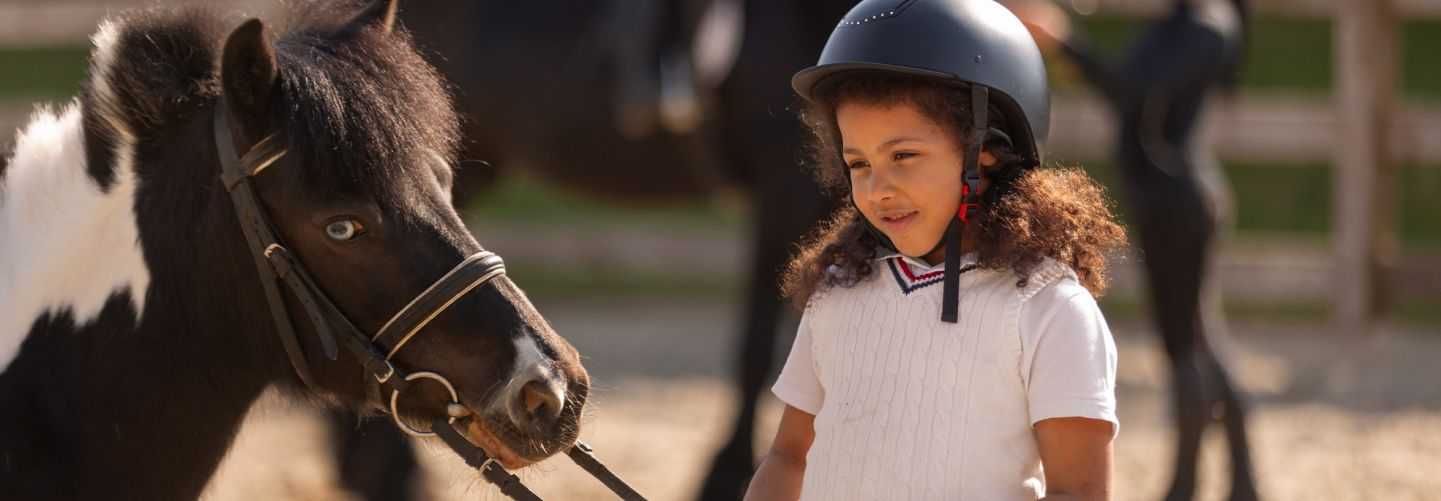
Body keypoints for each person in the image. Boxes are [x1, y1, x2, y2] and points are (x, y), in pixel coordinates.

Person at [743, 0, 1128, 499]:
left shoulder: (1050, 310)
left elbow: (1076, 492)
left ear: (985, 149)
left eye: (903, 155)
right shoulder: (837, 291)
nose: (877, 188)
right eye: (858, 163)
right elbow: (788, 457)